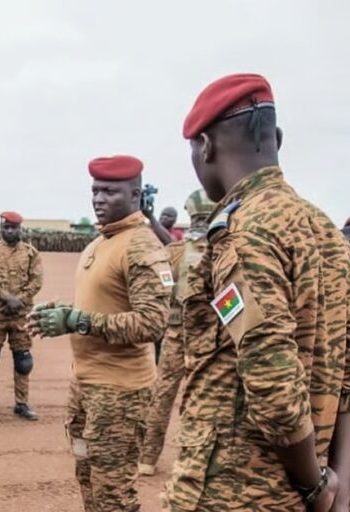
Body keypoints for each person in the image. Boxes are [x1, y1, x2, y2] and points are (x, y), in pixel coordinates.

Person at [163, 74, 349, 511]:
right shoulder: (326, 233)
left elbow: (273, 384)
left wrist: (315, 485)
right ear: (276, 139)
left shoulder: (240, 234)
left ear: (205, 145)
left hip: (232, 490)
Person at [29, 155, 172, 511]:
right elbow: (103, 303)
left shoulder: (141, 245)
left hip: (119, 394)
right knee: (87, 474)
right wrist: (59, 311)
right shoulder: (100, 241)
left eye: (110, 191)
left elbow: (152, 322)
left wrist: (76, 320)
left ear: (136, 195)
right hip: (86, 386)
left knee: (114, 494)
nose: (98, 198)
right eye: (95, 190)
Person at [137, 189, 216, 476]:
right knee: (204, 398)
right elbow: (234, 302)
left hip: (174, 335)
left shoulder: (174, 252)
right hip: (211, 340)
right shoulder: (225, 251)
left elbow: (162, 288)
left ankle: (147, 459)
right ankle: (196, 461)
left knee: (162, 396)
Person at [0, 211, 43, 421]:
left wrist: (19, 300)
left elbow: (36, 281)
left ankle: (21, 404)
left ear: (20, 229)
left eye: (14, 227)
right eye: (6, 227)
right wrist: (6, 297)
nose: (10, 231)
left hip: (21, 315)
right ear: (1, 228)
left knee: (23, 360)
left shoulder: (31, 253)